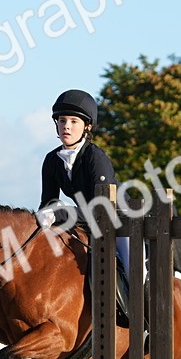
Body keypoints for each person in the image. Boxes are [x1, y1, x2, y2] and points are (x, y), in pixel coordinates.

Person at [33, 89, 132, 318]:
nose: (66, 126)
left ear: (87, 127)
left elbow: (101, 209)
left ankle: (146, 321)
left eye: (73, 121)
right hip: (90, 224)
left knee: (134, 272)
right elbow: (48, 201)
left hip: (120, 223)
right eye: (62, 120)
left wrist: (63, 213)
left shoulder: (94, 157)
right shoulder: (51, 160)